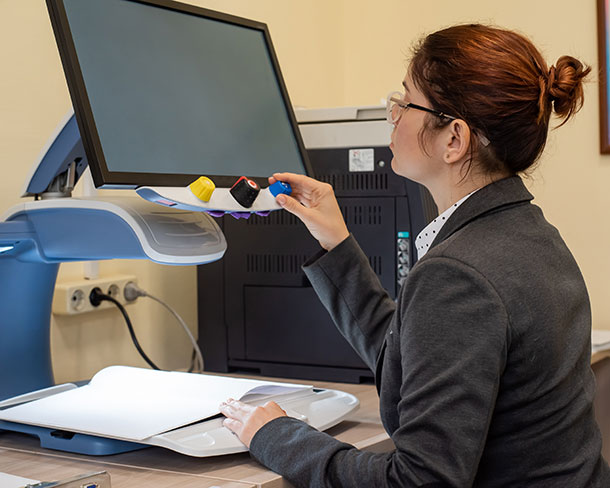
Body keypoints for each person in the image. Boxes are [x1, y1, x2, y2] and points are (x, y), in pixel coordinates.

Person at [219, 24, 610, 487]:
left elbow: (421, 482)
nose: (393, 115)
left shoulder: (459, 272)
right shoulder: (531, 235)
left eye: (405, 101)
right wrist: (335, 241)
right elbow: (414, 363)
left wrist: (278, 436)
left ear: (454, 139)